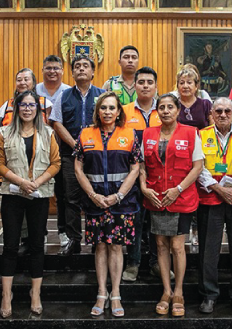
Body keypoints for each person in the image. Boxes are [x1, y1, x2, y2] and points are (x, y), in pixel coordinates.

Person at [0, 90, 60, 318]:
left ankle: (35, 294)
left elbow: (55, 163)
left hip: (39, 195)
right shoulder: (5, 132)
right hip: (13, 195)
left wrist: (36, 182)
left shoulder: (48, 133)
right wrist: (21, 182)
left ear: (38, 109)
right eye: (23, 105)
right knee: (10, 245)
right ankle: (6, 295)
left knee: (36, 246)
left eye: (32, 105)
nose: (28, 109)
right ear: (16, 108)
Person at [74, 92, 141, 317]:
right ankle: (101, 292)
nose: (108, 112)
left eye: (112, 108)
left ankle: (116, 293)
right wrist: (93, 196)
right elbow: (77, 168)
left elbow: (135, 168)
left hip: (121, 203)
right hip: (95, 202)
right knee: (100, 246)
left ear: (119, 111)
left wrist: (119, 195)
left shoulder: (130, 134)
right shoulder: (85, 134)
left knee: (116, 246)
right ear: (98, 111)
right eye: (104, 108)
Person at [140, 93, 203, 317]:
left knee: (177, 246)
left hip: (181, 198)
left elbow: (197, 167)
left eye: (170, 107)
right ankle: (166, 291)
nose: (166, 111)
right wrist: (144, 188)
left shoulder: (191, 133)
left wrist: (178, 189)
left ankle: (178, 292)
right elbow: (142, 166)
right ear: (157, 111)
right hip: (156, 198)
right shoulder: (148, 133)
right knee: (160, 246)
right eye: (162, 107)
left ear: (178, 110)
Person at [196, 97, 232, 315]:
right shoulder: (201, 135)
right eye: (218, 111)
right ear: (211, 113)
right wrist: (219, 189)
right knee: (208, 250)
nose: (222, 115)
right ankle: (209, 295)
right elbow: (198, 168)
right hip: (210, 198)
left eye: (227, 111)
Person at [49, 54, 105, 256]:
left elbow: (109, 122)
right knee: (71, 199)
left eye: (85, 66)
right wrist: (76, 146)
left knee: (96, 197)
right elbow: (56, 122)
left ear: (92, 72)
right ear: (72, 73)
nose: (81, 69)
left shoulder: (102, 95)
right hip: (70, 156)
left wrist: (90, 148)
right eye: (77, 66)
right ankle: (73, 240)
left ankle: (97, 239)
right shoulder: (63, 96)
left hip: (97, 157)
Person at [121, 67, 162, 282]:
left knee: (157, 222)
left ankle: (156, 263)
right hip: (132, 175)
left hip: (159, 176)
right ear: (134, 85)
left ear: (156, 86)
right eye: (141, 82)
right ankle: (133, 263)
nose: (145, 86)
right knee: (135, 221)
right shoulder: (125, 111)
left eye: (150, 82)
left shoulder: (165, 109)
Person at [35, 55, 71, 248]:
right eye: (48, 68)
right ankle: (41, 232)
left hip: (60, 150)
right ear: (42, 70)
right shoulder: (34, 91)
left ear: (62, 71)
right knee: (39, 193)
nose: (52, 71)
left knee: (62, 193)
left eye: (56, 68)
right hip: (37, 151)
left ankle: (63, 230)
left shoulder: (68, 92)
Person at [174, 64, 213, 130]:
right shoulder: (173, 105)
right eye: (181, 83)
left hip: (202, 139)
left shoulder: (205, 104)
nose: (185, 86)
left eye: (189, 83)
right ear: (177, 86)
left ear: (196, 86)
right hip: (179, 140)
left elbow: (213, 128)